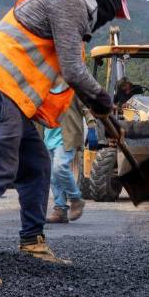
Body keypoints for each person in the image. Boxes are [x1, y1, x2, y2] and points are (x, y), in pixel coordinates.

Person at [0, 0, 130, 287]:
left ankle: (31, 241)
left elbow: (73, 77)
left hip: (10, 96)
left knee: (37, 163)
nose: (110, 20)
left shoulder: (71, 17)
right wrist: (103, 99)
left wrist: (100, 110)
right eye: (113, 12)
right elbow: (73, 71)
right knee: (0, 165)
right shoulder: (70, 4)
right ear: (105, 1)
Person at [44, 94, 94, 223]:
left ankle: (76, 199)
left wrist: (92, 125)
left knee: (59, 167)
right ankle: (60, 210)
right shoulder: (43, 86)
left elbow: (86, 107)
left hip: (67, 136)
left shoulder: (72, 88)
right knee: (53, 176)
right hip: (48, 137)